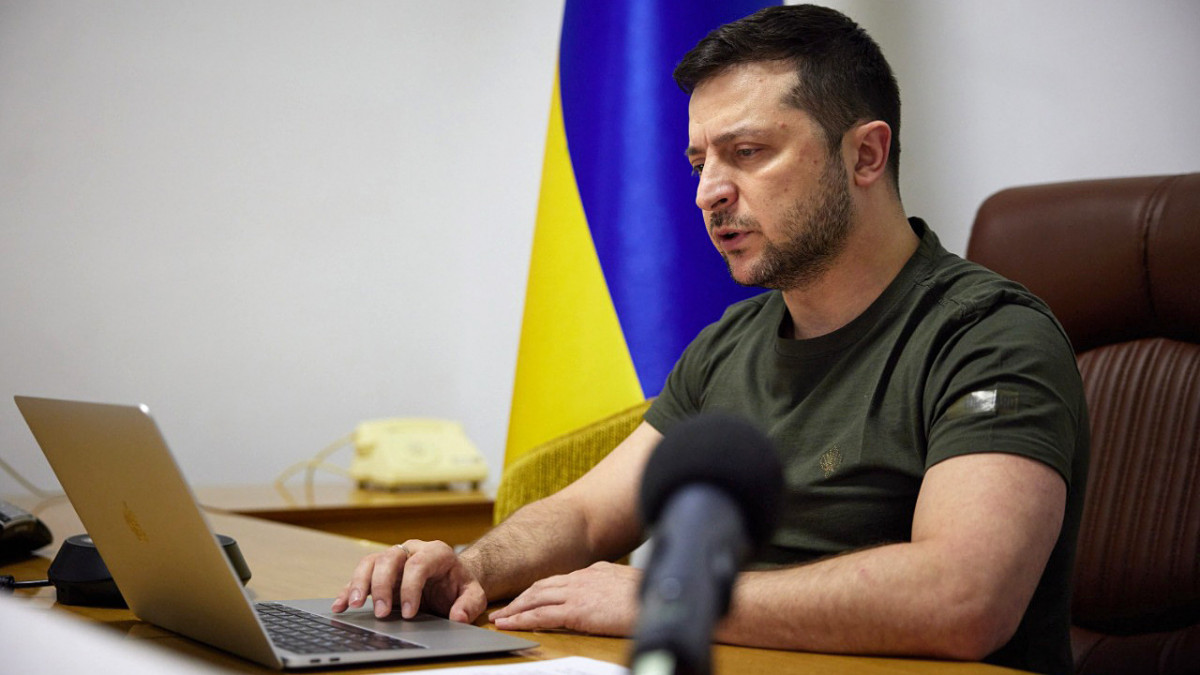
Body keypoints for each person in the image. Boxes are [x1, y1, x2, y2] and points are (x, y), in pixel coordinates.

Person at [332, 5, 1088, 674]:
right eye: (700, 162)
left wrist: (674, 592)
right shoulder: (731, 343)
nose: (707, 192)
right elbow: (591, 515)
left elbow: (964, 598)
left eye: (748, 152)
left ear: (865, 154)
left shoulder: (988, 336)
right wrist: (469, 566)